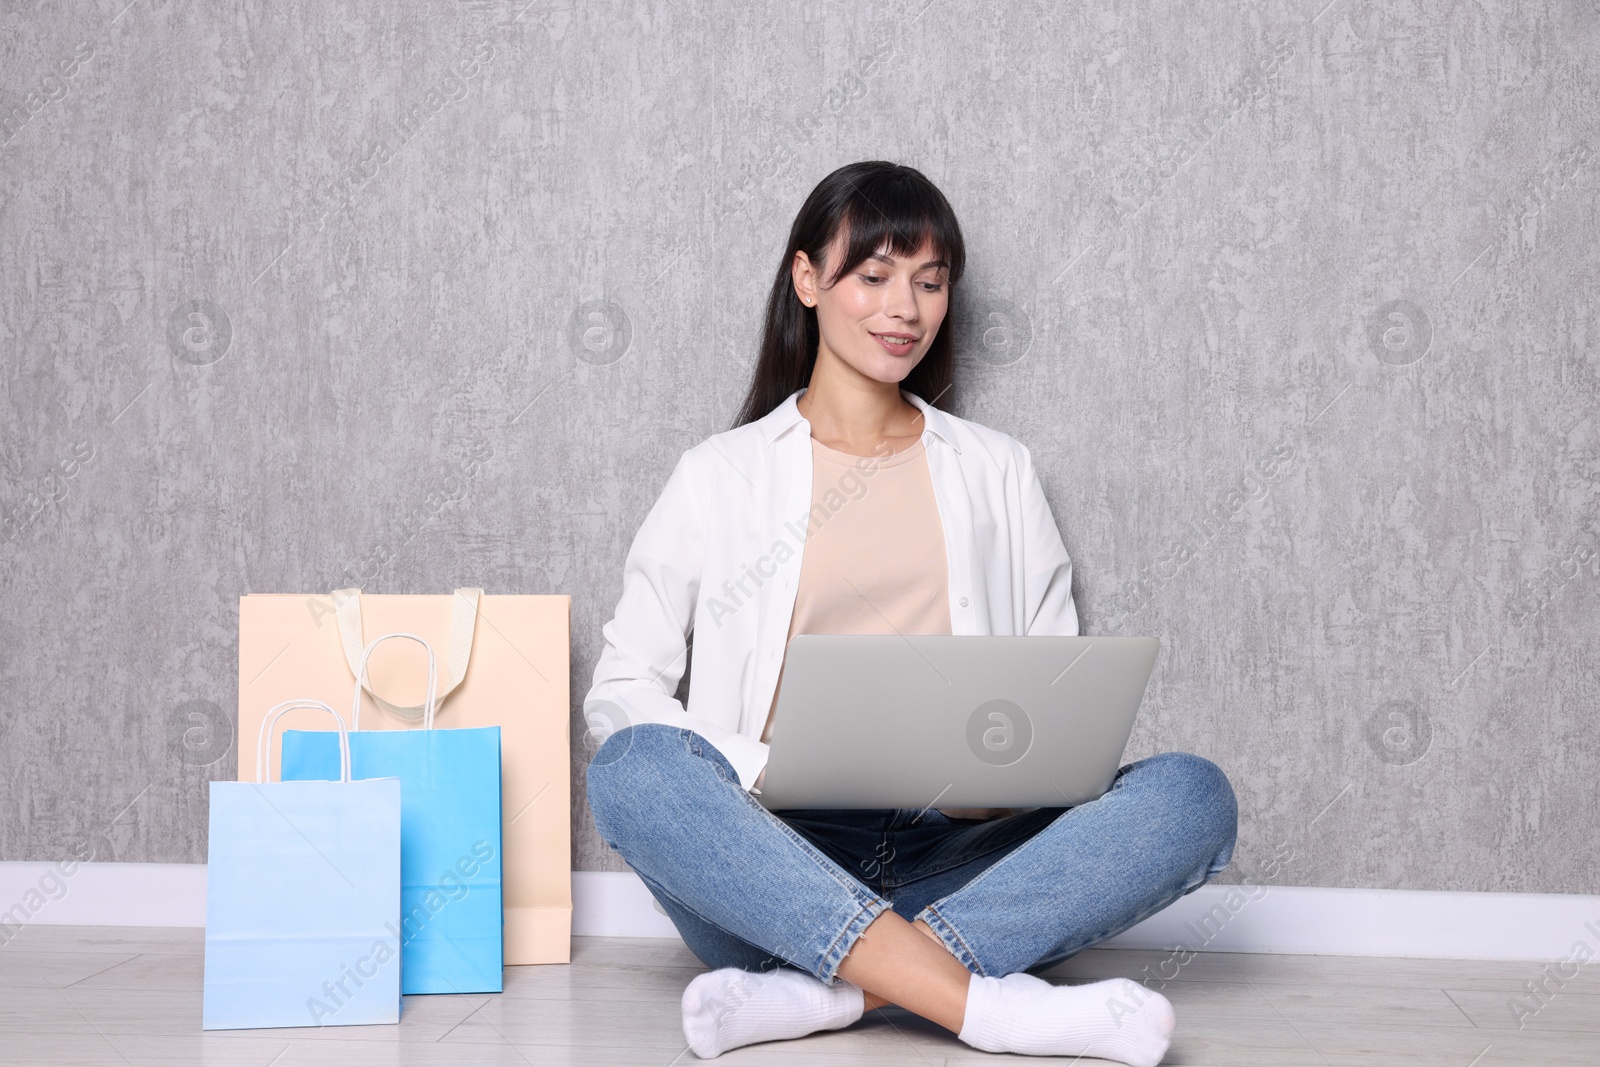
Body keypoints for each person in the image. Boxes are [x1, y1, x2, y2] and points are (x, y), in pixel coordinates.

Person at [583, 160, 1237, 1065]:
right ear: (808, 279)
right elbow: (621, 688)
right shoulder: (719, 474)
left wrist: (1010, 772)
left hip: (963, 854)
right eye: (875, 275)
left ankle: (834, 987)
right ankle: (986, 1005)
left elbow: (1053, 682)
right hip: (772, 863)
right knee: (631, 767)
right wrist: (763, 769)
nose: (907, 308)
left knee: (1191, 794)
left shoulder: (997, 469)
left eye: (930, 283)